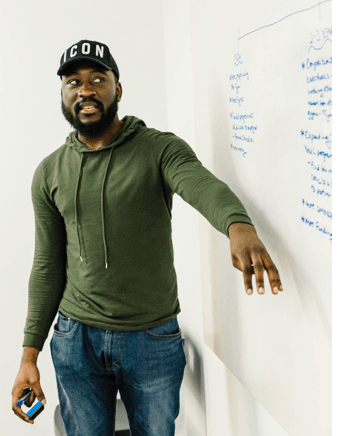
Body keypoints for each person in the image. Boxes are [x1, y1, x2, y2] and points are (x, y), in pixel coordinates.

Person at [10, 39, 281, 435]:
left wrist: (237, 225)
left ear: (116, 90)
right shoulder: (50, 171)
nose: (85, 90)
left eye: (97, 79)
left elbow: (200, 184)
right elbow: (47, 266)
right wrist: (28, 356)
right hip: (75, 340)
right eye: (74, 82)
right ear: (63, 95)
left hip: (151, 340)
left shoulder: (158, 149)